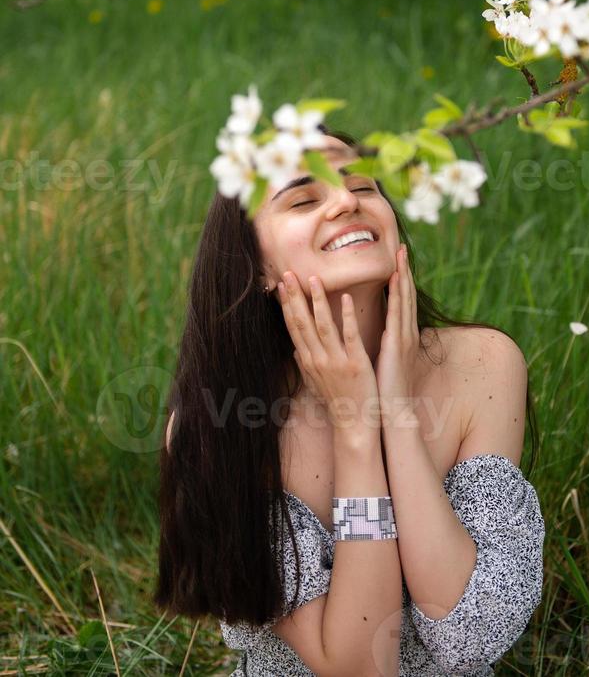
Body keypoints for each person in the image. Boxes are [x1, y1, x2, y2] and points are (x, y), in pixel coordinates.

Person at [154, 124, 545, 676]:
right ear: (256, 266)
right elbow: (363, 668)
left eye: (363, 186)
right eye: (303, 198)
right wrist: (356, 428)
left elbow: (473, 636)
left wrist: (398, 414)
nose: (345, 201)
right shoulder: (214, 428)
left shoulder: (483, 365)